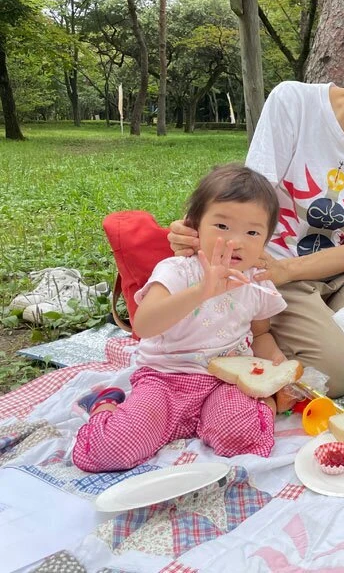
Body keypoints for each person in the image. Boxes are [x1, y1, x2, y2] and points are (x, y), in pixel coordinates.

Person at [168, 0, 344, 398]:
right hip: (277, 268)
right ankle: (302, 333)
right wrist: (199, 229)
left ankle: (334, 325)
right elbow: (250, 198)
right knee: (338, 374)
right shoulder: (294, 102)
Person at [73, 164, 288, 472]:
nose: (236, 241)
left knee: (244, 438)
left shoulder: (255, 281)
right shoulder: (178, 270)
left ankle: (240, 412)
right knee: (112, 449)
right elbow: (144, 325)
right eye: (222, 227)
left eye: (252, 232)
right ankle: (105, 404)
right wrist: (203, 290)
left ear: (266, 241)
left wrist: (277, 374)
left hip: (226, 381)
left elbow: (262, 334)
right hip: (165, 378)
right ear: (194, 228)